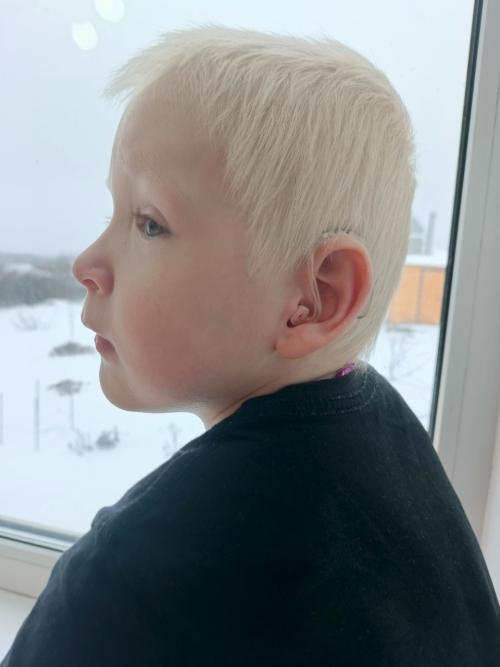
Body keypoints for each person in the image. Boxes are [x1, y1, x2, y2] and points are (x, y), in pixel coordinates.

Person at [2, 24, 499, 666]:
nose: (86, 264)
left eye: (149, 223)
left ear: (315, 298)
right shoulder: (389, 439)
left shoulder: (133, 582)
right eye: (113, 214)